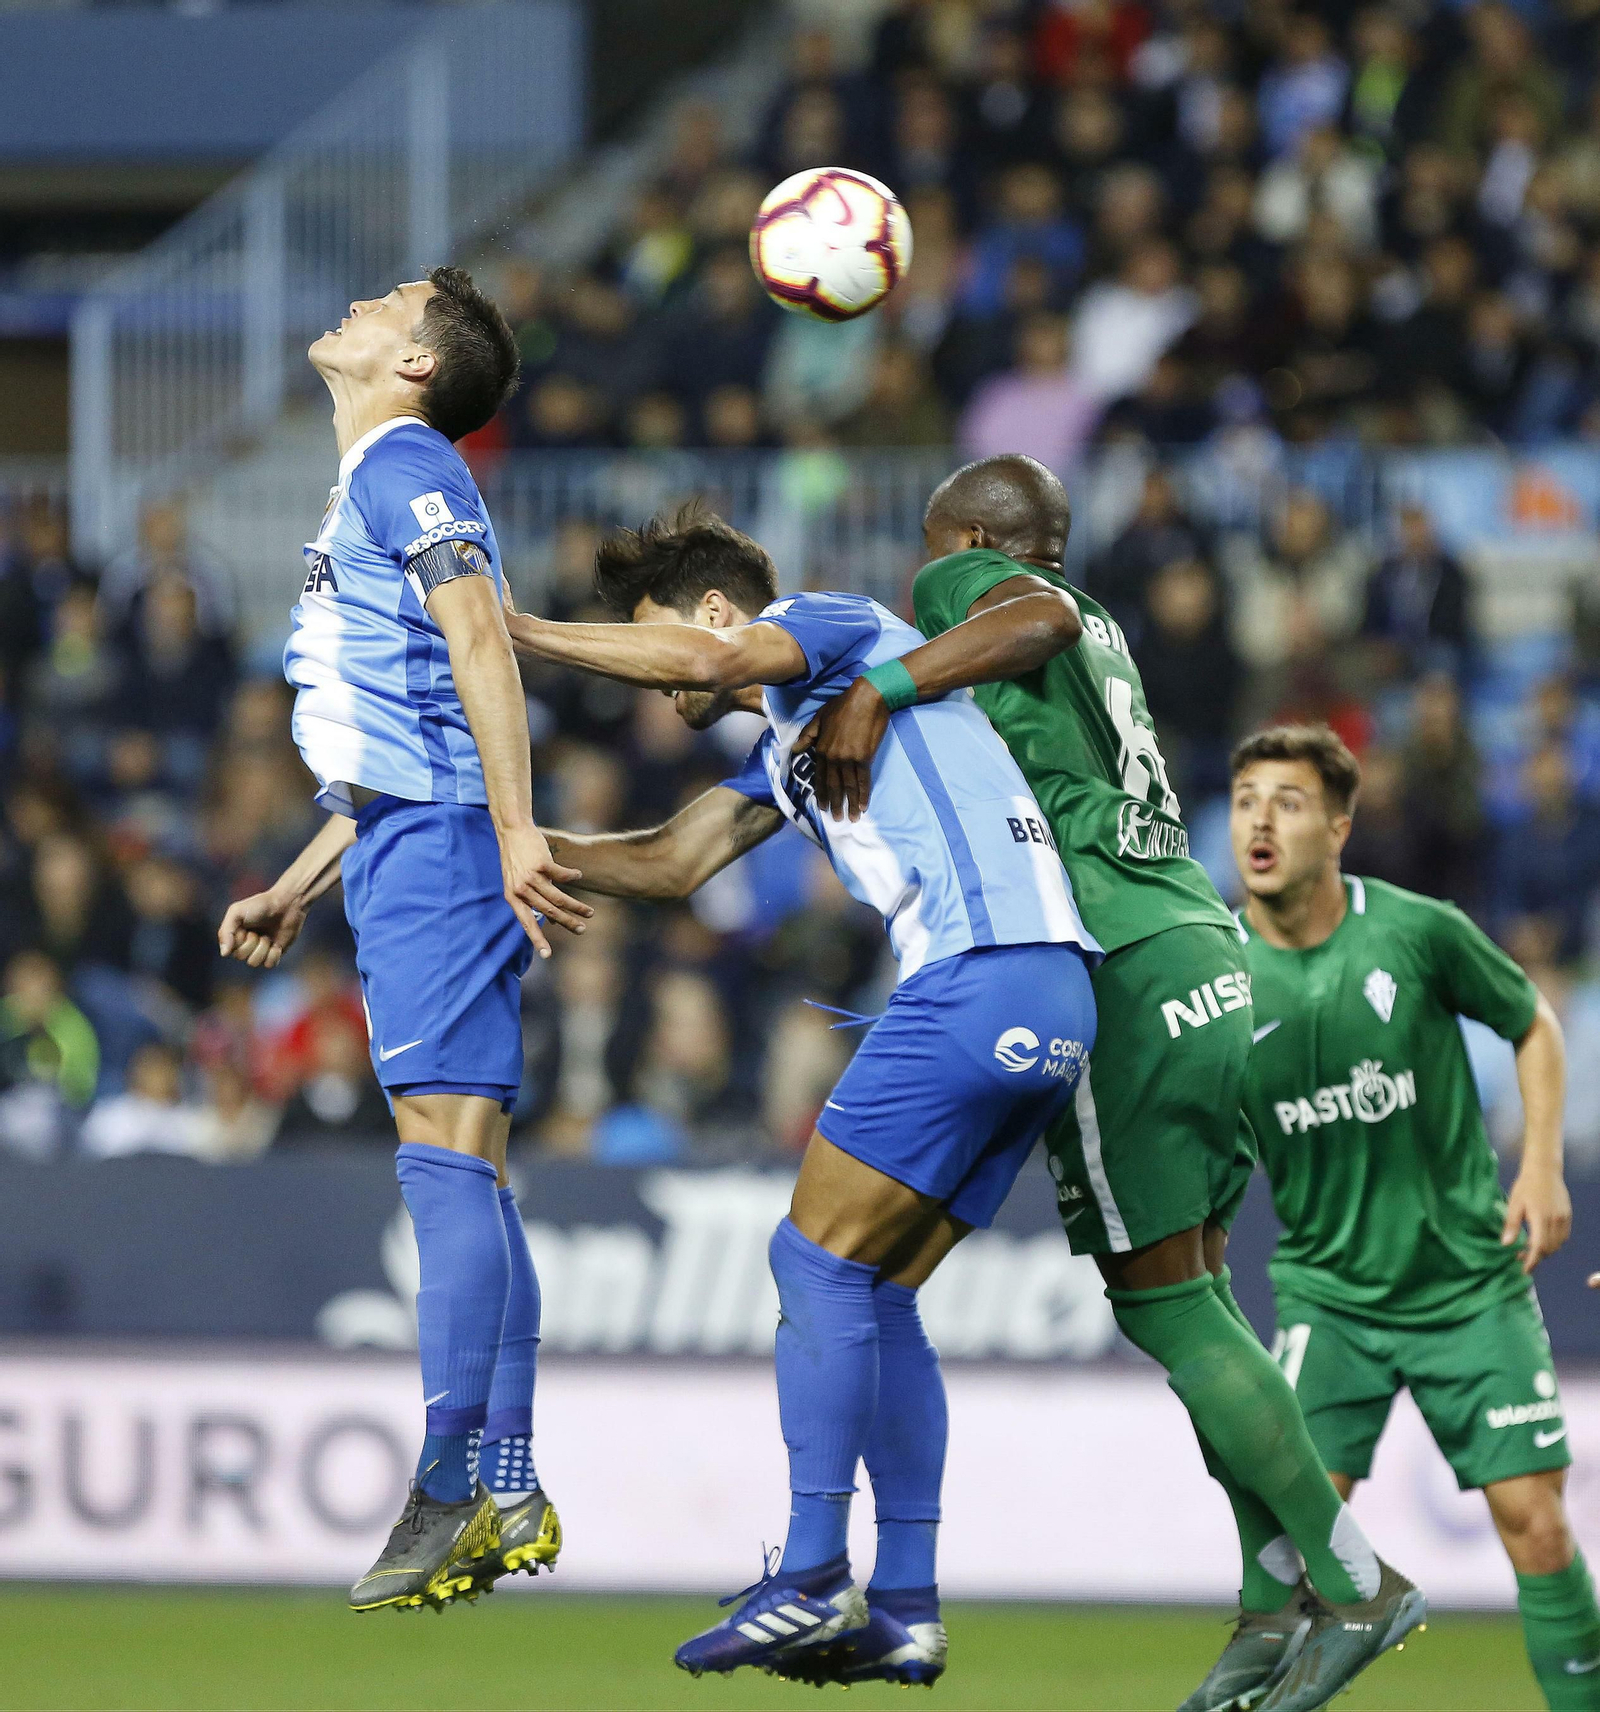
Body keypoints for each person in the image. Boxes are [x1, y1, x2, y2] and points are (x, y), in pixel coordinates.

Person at [798, 454, 1421, 1712]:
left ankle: (1358, 1582)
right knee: (1199, 1296)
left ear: (977, 539)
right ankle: (1269, 1595)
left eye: (947, 566)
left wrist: (877, 680)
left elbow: (1025, 610)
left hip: (1123, 968)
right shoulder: (1106, 643)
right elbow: (1048, 624)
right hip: (1206, 946)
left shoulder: (995, 591)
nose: (937, 602)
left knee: (1162, 1308)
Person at [502, 504, 1099, 1686]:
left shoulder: (826, 626)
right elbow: (672, 859)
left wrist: (507, 625)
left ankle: (815, 1571)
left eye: (654, 637)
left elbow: (712, 662)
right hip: (1053, 997)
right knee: (873, 1290)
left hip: (973, 979)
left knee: (808, 1263)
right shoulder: (789, 738)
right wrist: (511, 840)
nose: (656, 675)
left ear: (718, 610)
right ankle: (910, 1604)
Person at [215, 268, 591, 1613]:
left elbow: (481, 641)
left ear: (418, 365)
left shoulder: (408, 463)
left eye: (385, 303)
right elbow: (399, 719)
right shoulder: (376, 473)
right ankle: (507, 1477)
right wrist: (304, 878)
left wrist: (513, 828)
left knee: (443, 1158)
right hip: (400, 843)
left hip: (440, 849)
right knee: (469, 1167)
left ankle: (449, 1484)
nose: (355, 307)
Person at [1229, 725, 1598, 1712]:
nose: (1260, 818)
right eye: (1245, 798)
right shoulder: (1211, 974)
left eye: (1289, 800)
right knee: (1290, 1544)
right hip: (1326, 1293)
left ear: (1339, 827)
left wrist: (1541, 1163)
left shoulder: (1414, 931)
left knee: (1535, 1521)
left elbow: (1532, 1020)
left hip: (1463, 1281)